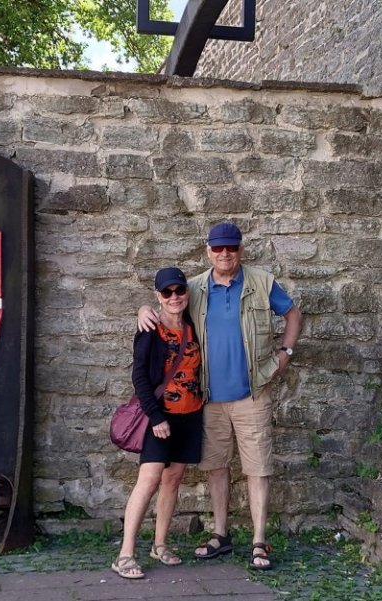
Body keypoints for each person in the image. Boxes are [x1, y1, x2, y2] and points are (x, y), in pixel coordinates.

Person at [137, 223, 302, 571]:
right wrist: (143, 310)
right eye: (218, 248)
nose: (224, 253)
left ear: (240, 249)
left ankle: (259, 541)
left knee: (258, 467)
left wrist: (285, 354)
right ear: (208, 251)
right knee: (216, 467)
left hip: (252, 394)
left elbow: (292, 313)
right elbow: (169, 304)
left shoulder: (262, 282)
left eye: (231, 247)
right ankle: (221, 535)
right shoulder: (194, 288)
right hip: (209, 399)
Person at [112, 267, 205, 580]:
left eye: (179, 290)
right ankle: (125, 554)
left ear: (187, 293)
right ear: (158, 296)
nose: (174, 297)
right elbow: (139, 376)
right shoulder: (150, 328)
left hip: (190, 415)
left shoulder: (193, 325)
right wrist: (154, 416)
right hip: (160, 417)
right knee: (149, 479)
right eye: (167, 292)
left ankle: (160, 544)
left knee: (173, 479)